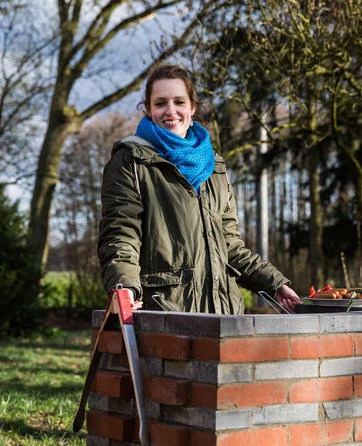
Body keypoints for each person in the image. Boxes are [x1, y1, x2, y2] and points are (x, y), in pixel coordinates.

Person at [98, 64, 301, 314]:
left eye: (179, 102)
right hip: (166, 314)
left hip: (224, 316)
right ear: (148, 109)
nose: (170, 111)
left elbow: (230, 246)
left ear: (192, 107)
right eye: (160, 103)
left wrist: (275, 285)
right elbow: (121, 235)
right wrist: (125, 287)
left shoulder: (215, 167)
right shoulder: (130, 162)